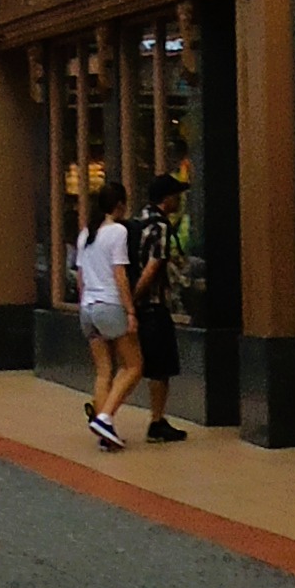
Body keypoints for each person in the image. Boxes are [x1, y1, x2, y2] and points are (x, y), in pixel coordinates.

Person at [75, 183, 135, 449]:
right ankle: (105, 418)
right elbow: (119, 274)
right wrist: (130, 310)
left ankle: (104, 435)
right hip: (109, 304)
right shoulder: (118, 232)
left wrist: (84, 300)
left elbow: (80, 276)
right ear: (120, 204)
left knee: (103, 371)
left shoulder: (86, 234)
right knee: (133, 365)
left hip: (87, 308)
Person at [129, 183, 189, 448]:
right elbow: (153, 266)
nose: (179, 200)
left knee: (135, 364)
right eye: (176, 195)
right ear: (167, 199)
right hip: (153, 305)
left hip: (137, 307)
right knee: (160, 367)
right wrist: (136, 295)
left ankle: (105, 410)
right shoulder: (161, 228)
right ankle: (157, 420)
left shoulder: (136, 224)